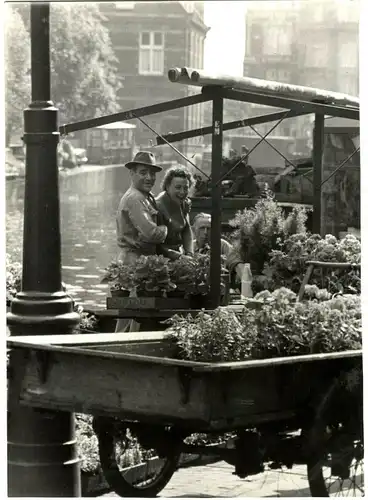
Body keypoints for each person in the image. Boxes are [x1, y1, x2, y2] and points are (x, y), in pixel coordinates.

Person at [115, 150, 168, 332]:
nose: (149, 178)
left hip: (137, 260)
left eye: (152, 174)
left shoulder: (144, 196)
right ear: (132, 173)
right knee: (135, 311)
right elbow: (151, 233)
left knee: (129, 315)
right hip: (134, 260)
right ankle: (125, 351)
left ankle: (122, 348)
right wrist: (165, 228)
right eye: (143, 173)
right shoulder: (135, 199)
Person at [192, 213, 245, 282]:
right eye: (202, 228)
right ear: (193, 230)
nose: (205, 232)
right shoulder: (189, 247)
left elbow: (236, 263)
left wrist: (245, 278)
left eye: (208, 229)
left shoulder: (222, 245)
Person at [155, 166, 194, 261]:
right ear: (167, 187)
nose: (182, 192)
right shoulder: (157, 207)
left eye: (186, 188)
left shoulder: (184, 202)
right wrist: (180, 257)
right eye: (178, 187)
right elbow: (157, 246)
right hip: (161, 258)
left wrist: (189, 253)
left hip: (180, 255)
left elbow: (186, 229)